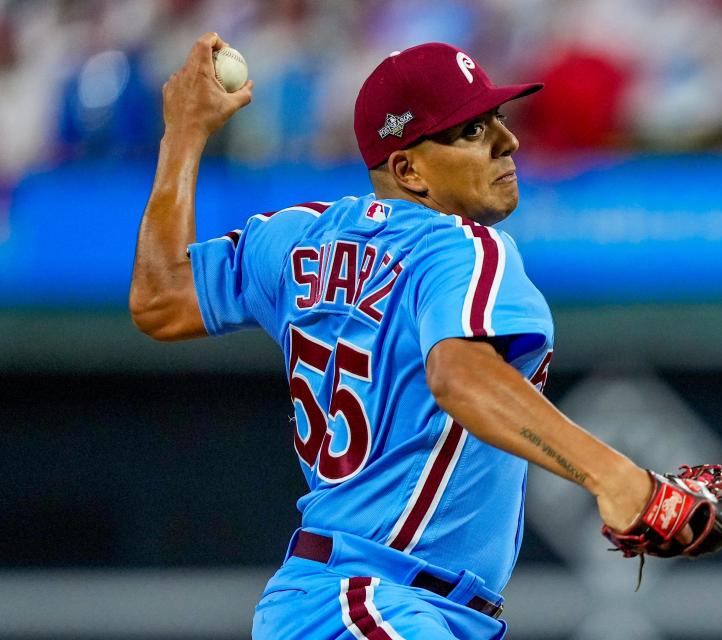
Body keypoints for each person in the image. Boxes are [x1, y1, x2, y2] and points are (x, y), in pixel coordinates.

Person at [130, 33, 689, 640]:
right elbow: (459, 375)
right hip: (378, 600)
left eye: (496, 117)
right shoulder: (460, 247)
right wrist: (617, 478)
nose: (509, 141)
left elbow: (162, 298)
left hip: (338, 606)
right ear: (407, 169)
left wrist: (183, 135)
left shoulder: (298, 238)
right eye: (472, 130)